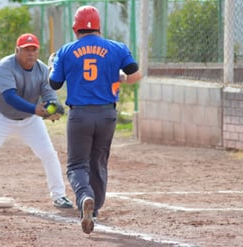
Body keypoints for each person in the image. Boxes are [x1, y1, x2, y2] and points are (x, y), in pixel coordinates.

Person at [49, 6, 141, 234]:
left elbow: (54, 84)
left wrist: (53, 64)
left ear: (75, 28)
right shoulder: (117, 48)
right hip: (107, 114)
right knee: (98, 161)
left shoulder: (66, 50)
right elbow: (135, 74)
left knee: (77, 164)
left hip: (80, 115)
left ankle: (84, 198)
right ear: (99, 27)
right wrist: (118, 77)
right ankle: (94, 209)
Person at [0, 33, 73, 210]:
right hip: (0, 117)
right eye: (26, 49)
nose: (31, 53)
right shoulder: (5, 66)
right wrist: (35, 109)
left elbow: (49, 96)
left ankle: (59, 196)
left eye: (34, 49)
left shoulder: (43, 70)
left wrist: (52, 110)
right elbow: (9, 97)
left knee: (48, 153)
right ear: (17, 50)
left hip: (29, 120)